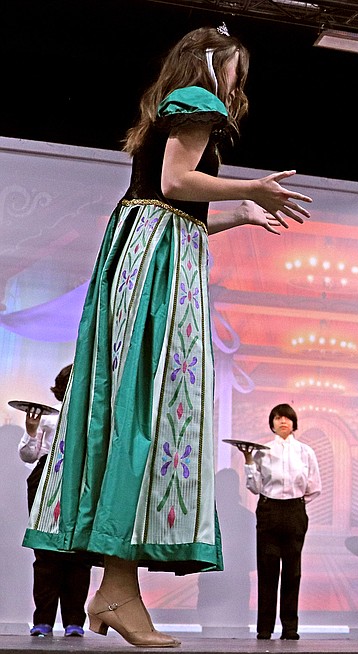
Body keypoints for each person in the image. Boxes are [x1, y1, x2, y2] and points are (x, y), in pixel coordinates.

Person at [23, 24, 311, 648]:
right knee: (146, 409)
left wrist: (243, 211)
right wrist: (250, 187)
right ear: (214, 67)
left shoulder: (170, 111)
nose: (241, 84)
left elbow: (180, 207)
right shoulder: (199, 105)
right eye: (239, 71)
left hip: (148, 246)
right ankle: (117, 591)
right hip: (157, 258)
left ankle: (118, 589)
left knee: (137, 412)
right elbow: (179, 184)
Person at [235, 404, 321, 640]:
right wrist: (249, 461)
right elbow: (254, 487)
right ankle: (264, 628)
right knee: (267, 569)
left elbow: (314, 488)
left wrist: (295, 505)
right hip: (269, 509)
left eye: (287, 418)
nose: (283, 421)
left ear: (294, 423)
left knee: (293, 572)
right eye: (277, 417)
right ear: (271, 423)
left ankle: (290, 628)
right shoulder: (263, 451)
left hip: (294, 510)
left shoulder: (306, 452)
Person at [18, 365, 92, 638]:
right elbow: (28, 456)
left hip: (81, 481)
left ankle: (75, 621)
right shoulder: (49, 419)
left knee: (78, 554)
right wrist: (31, 429)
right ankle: (44, 621)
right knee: (46, 554)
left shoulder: (93, 419)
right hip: (46, 479)